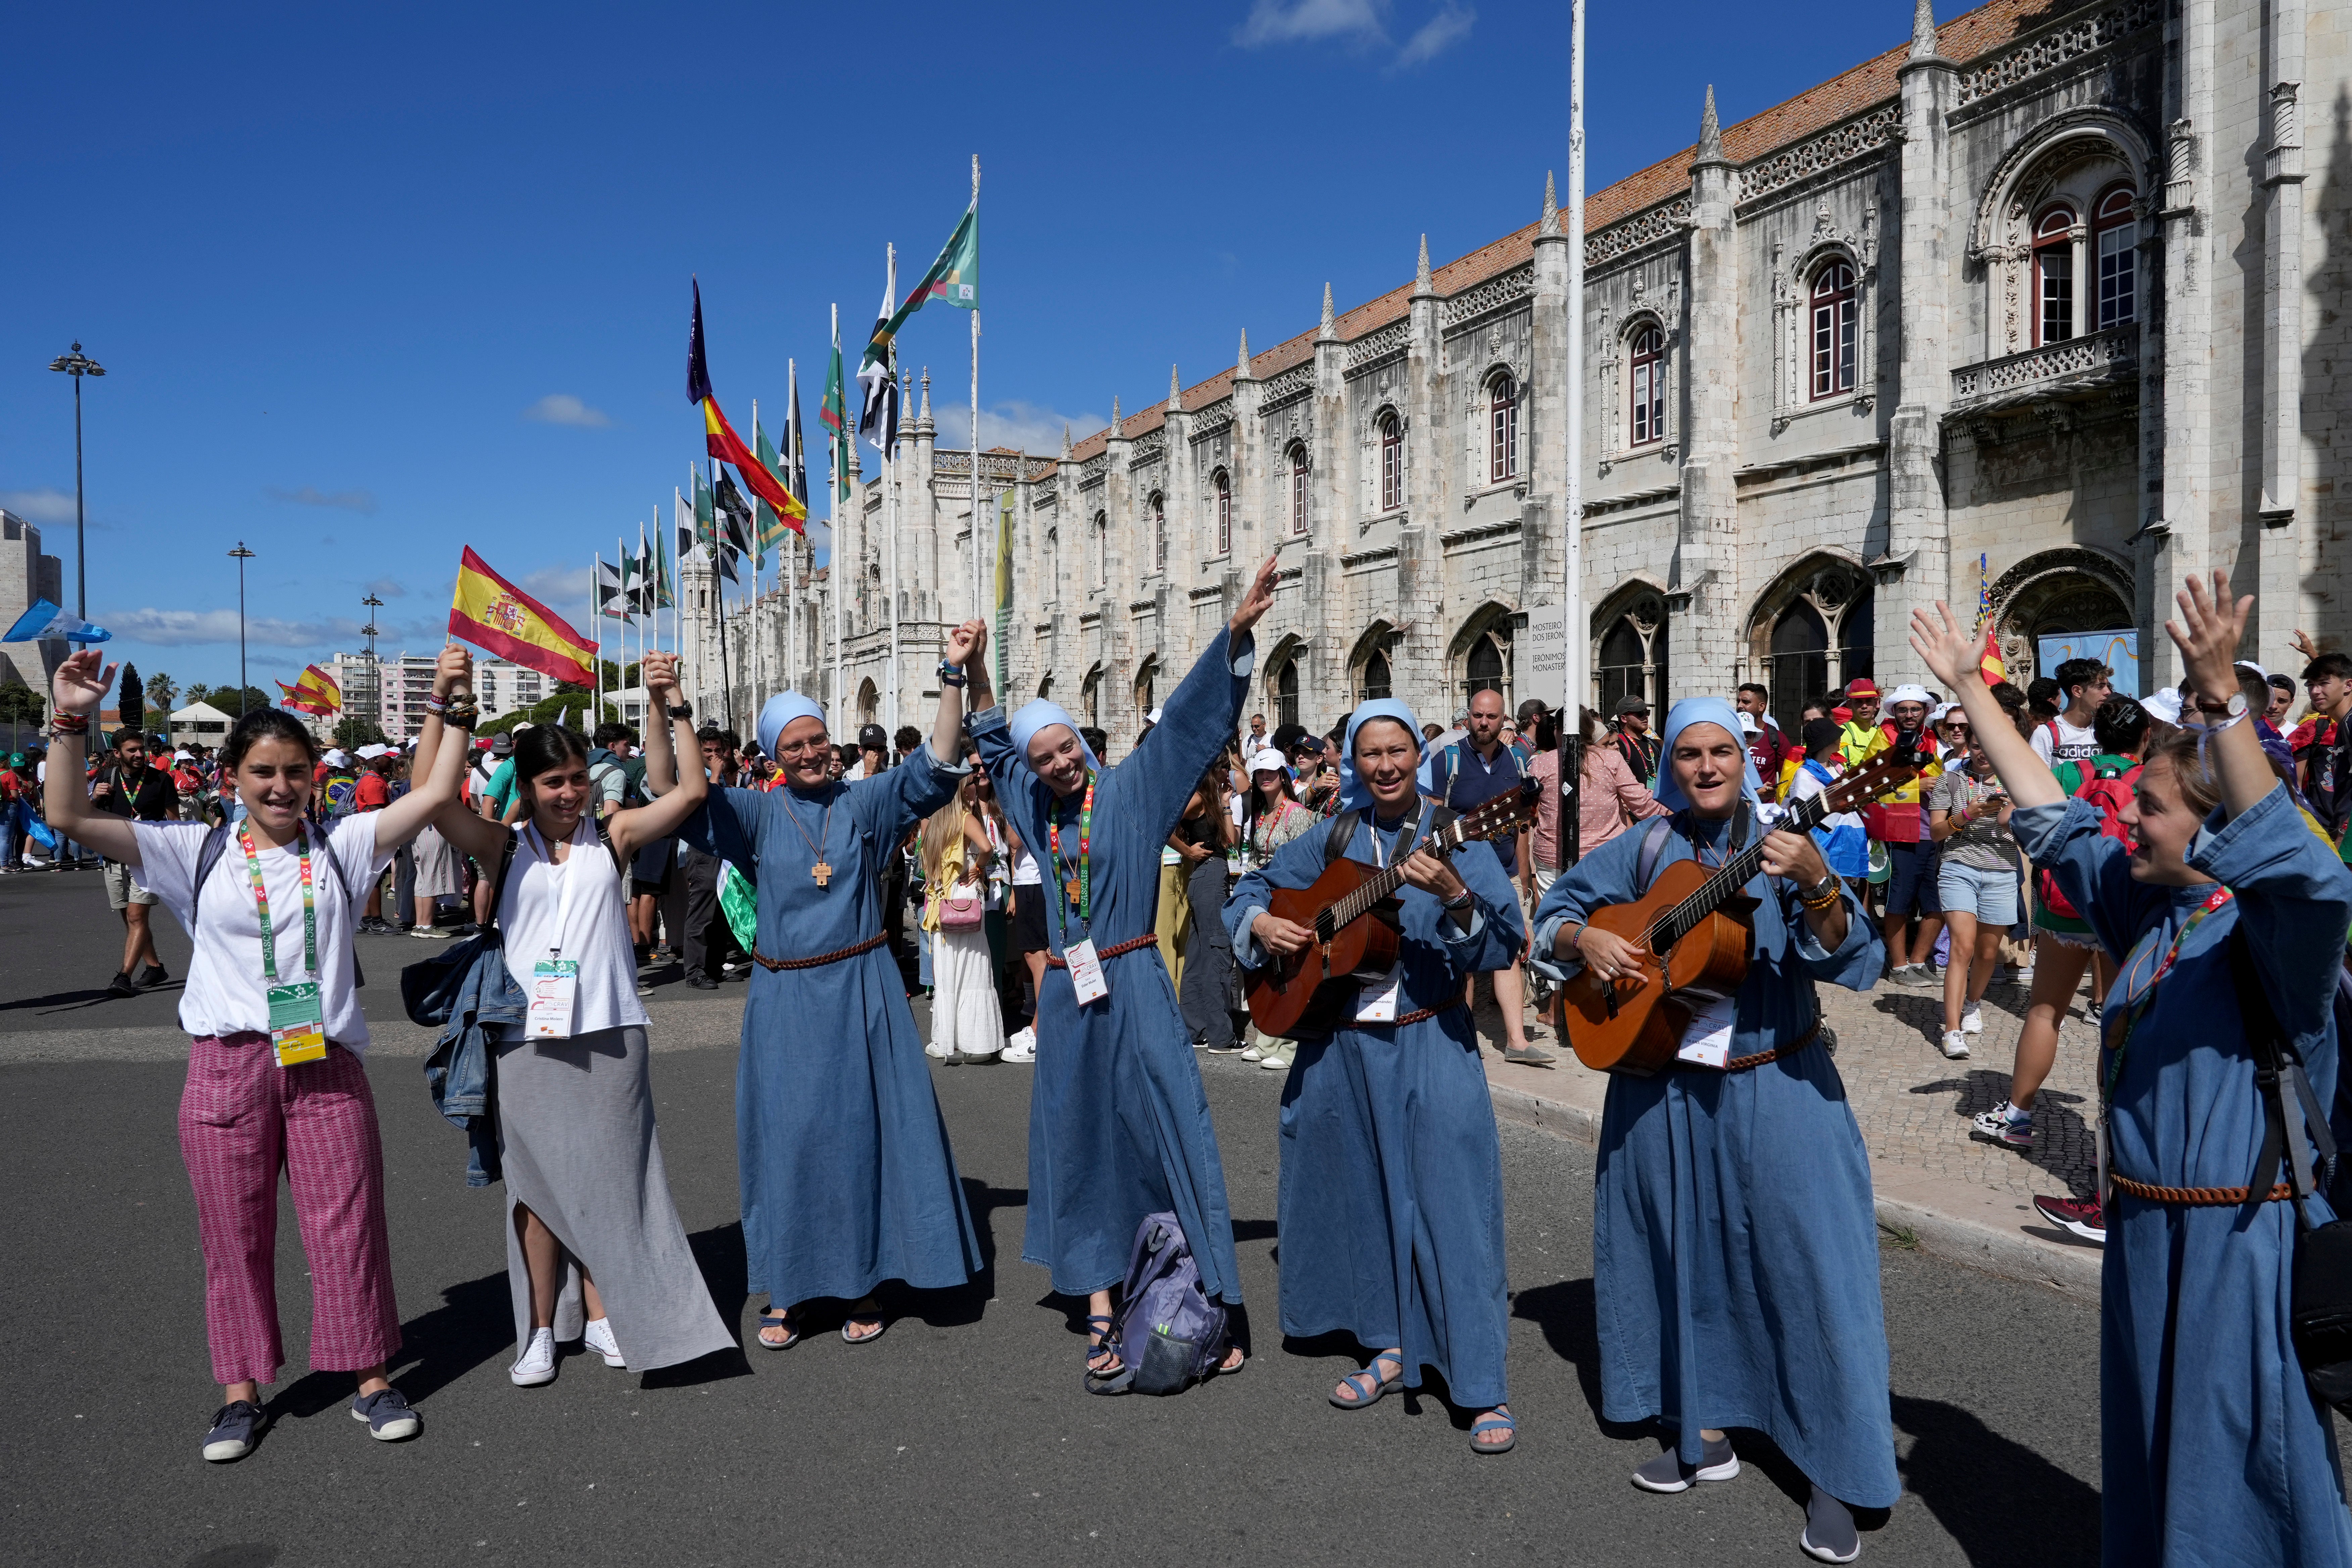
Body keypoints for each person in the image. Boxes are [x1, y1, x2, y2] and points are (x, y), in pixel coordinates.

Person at [1914, 580, 2352, 1563]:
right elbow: (2054, 821)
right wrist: (1970, 692)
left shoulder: (2276, 939)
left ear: (2213, 831)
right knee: (2155, 1452)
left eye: (2147, 809)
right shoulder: (2147, 909)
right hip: (2147, 1232)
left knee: (2246, 1464)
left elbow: (2310, 873)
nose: (2125, 823)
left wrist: (2220, 699)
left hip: (2239, 1244)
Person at [44, 644, 470, 1462]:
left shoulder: (342, 844)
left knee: (346, 1226)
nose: (281, 787)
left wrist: (447, 704)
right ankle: (240, 1392)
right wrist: (70, 716)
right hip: (227, 1065)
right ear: (232, 775)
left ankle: (371, 1377)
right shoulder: (192, 851)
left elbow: (437, 792)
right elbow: (66, 816)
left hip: (325, 1065)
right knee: (233, 1234)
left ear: (315, 776)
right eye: (264, 771)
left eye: (296, 772)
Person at [1532, 697, 1895, 1563]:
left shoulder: (1784, 843)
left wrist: (1814, 881)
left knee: (1811, 1272)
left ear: (1746, 761)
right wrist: (1587, 940)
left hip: (1778, 1086)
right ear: (1669, 763)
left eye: (1721, 752)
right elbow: (1552, 917)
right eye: (1689, 752)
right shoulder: (1645, 846)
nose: (1705, 767)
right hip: (1663, 1087)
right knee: (1676, 1258)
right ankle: (1703, 1424)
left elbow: (1858, 957)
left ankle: (1834, 1471)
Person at [972, 556, 1279, 1390]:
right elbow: (992, 748)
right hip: (1071, 998)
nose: (1062, 763)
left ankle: (1214, 1298)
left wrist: (1234, 634)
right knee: (1081, 1146)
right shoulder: (1036, 811)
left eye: (1067, 745)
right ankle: (1102, 1304)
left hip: (1135, 978)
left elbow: (1183, 726)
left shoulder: (1135, 789)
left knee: (1174, 1128)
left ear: (1082, 738)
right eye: (1047, 757)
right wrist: (971, 672)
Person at [416, 651, 733, 1384]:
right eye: (554, 782)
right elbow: (432, 799)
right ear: (527, 786)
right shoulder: (501, 845)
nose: (569, 793)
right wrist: (447, 702)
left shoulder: (614, 835)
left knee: (613, 1176)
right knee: (535, 1185)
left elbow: (690, 790)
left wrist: (673, 700)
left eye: (577, 780)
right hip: (524, 1036)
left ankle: (600, 1313)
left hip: (612, 1033)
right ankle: (536, 1327)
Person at [1227, 698, 1527, 1455]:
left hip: (1432, 1043)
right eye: (1372, 752)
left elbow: (1503, 945)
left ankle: (1479, 1382)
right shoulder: (1334, 831)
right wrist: (1263, 925)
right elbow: (1251, 889)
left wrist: (1457, 894)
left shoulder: (1460, 831)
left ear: (1417, 755)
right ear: (1353, 760)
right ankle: (1386, 1343)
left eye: (1399, 749)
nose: (1387, 764)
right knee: (1355, 1201)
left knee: (1453, 1208)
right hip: (1340, 1046)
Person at [678, 632, 988, 1351]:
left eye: (820, 738)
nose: (813, 752)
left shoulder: (867, 800)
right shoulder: (757, 813)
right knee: (788, 1138)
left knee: (858, 1136)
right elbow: (684, 790)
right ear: (773, 757)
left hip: (860, 985)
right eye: (795, 746)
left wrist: (951, 672)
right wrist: (678, 710)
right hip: (785, 997)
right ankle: (789, 1286)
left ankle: (861, 1280)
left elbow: (939, 761)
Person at [1973, 695, 2149, 1158]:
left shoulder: (2072, 772)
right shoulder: (2151, 780)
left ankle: (2017, 1115)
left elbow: (2017, 819)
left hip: (2064, 903)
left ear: (2096, 734)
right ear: (2146, 736)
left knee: (2045, 1011)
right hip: (2121, 906)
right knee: (2116, 1019)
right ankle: (2115, 1130)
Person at [1425, 689, 1550, 1068]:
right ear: (1469, 717)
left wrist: (1525, 875)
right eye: (1478, 716)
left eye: (1491, 717)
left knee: (1510, 949)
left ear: (1503, 719)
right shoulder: (1447, 759)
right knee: (1461, 953)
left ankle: (1516, 1039)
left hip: (1507, 870)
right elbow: (1430, 811)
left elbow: (1524, 820)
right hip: (1460, 870)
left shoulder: (1517, 759)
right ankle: (1464, 1035)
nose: (1483, 723)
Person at [1925, 716, 2017, 1060]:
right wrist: (1966, 815)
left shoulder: (2015, 780)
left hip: (2002, 869)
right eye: (1977, 746)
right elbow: (1936, 832)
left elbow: (2030, 825)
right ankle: (1951, 1031)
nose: (1982, 754)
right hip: (1958, 866)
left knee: (1988, 953)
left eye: (1989, 748)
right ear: (1968, 745)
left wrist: (2012, 811)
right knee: (1962, 947)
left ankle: (1973, 1003)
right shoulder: (1950, 780)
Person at [1849, 685, 1944, 988]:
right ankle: (1899, 965)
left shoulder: (1930, 738)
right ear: (1894, 713)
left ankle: (1918, 960)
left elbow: (1939, 777)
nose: (1909, 715)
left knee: (1936, 902)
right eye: (1903, 710)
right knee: (1900, 899)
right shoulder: (1883, 738)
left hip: (1934, 828)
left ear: (1926, 712)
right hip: (1900, 831)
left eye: (1915, 709)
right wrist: (1920, 786)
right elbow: (1872, 784)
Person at [1235, 747, 1318, 1070]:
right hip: (1266, 896)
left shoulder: (1295, 813)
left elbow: (1304, 861)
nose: (1265, 778)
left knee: (1293, 969)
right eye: (1260, 773)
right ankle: (1268, 1038)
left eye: (1271, 772)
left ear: (1283, 775)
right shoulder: (1261, 813)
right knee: (1268, 968)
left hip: (1291, 897)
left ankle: (1290, 1044)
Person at [919, 769, 1008, 1066]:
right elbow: (986, 847)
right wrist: (979, 867)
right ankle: (978, 1042)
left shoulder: (934, 822)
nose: (974, 787)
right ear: (962, 790)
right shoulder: (964, 818)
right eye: (970, 783)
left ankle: (947, 1040)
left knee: (948, 969)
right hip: (966, 894)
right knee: (973, 964)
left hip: (942, 900)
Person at [91, 726, 180, 995]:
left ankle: (123, 978)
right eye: (133, 750)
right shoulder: (107, 778)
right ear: (118, 753)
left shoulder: (160, 780)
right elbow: (88, 816)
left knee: (136, 916)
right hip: (114, 858)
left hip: (147, 859)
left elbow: (175, 822)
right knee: (129, 920)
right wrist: (94, 798)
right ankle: (154, 967)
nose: (141, 754)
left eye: (142, 749)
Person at [1174, 765, 1242, 1053]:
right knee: (1216, 951)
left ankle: (1196, 1029)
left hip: (1210, 874)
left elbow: (1230, 843)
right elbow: (1164, 822)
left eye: (1228, 767)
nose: (1227, 773)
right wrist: (1186, 850)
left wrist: (1226, 805)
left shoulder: (1213, 798)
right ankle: (1220, 1036)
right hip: (1208, 875)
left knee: (1199, 954)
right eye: (1222, 768)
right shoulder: (1199, 797)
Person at [1612, 696, 1660, 786]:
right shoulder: (1619, 746)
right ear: (1624, 718)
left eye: (1647, 712)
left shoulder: (1654, 744)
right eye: (1640, 713)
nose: (1646, 716)